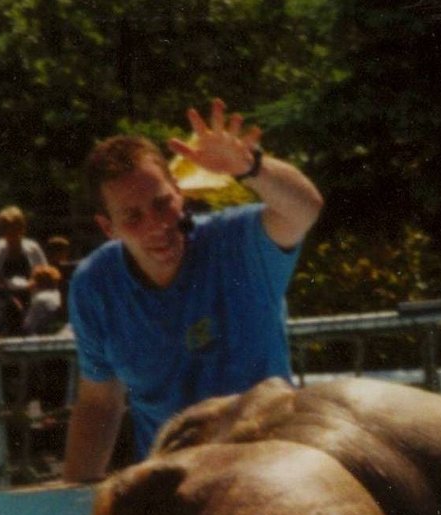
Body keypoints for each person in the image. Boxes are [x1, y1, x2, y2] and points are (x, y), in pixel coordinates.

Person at [61, 97, 323, 481]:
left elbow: (304, 209)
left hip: (270, 475)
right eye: (132, 216)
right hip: (173, 487)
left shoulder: (237, 244)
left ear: (179, 193)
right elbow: (99, 404)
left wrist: (251, 167)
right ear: (108, 228)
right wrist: (72, 505)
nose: (155, 225)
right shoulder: (94, 286)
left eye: (163, 203)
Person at [0, 205, 47, 289]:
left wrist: (33, 283)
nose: (12, 233)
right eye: (7, 229)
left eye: (16, 229)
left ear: (22, 228)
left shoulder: (33, 247)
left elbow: (45, 273)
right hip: (4, 294)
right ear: (2, 230)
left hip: (31, 293)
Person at [21, 264, 67, 336]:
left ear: (38, 283)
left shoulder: (40, 299)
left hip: (40, 337)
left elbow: (28, 326)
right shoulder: (58, 295)